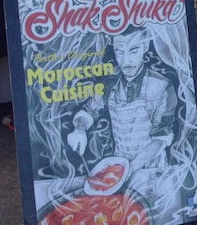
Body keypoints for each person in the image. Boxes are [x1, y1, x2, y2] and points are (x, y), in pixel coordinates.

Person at [67, 25, 178, 173]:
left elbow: (162, 137)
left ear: (145, 46)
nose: (126, 61)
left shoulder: (162, 86)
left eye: (133, 50)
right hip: (119, 164)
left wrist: (130, 169)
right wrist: (79, 129)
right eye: (120, 52)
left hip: (153, 168)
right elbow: (89, 111)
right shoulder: (109, 84)